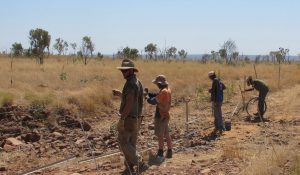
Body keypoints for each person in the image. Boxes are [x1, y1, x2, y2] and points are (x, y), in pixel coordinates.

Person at [112, 59, 148, 175]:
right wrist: (121, 95)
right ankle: (129, 167)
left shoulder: (130, 84)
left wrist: (122, 119)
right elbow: (133, 99)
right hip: (136, 117)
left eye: (126, 70)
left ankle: (140, 163)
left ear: (132, 70)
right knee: (131, 144)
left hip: (129, 118)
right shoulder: (137, 82)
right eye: (122, 70)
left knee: (123, 142)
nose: (123, 72)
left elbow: (130, 102)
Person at [146, 75, 173, 162]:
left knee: (160, 136)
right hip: (166, 115)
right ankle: (169, 151)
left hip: (160, 116)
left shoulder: (163, 92)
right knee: (166, 134)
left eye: (157, 84)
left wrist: (147, 97)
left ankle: (160, 154)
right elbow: (157, 95)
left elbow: (153, 101)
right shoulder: (167, 90)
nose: (157, 85)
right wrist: (149, 93)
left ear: (160, 84)